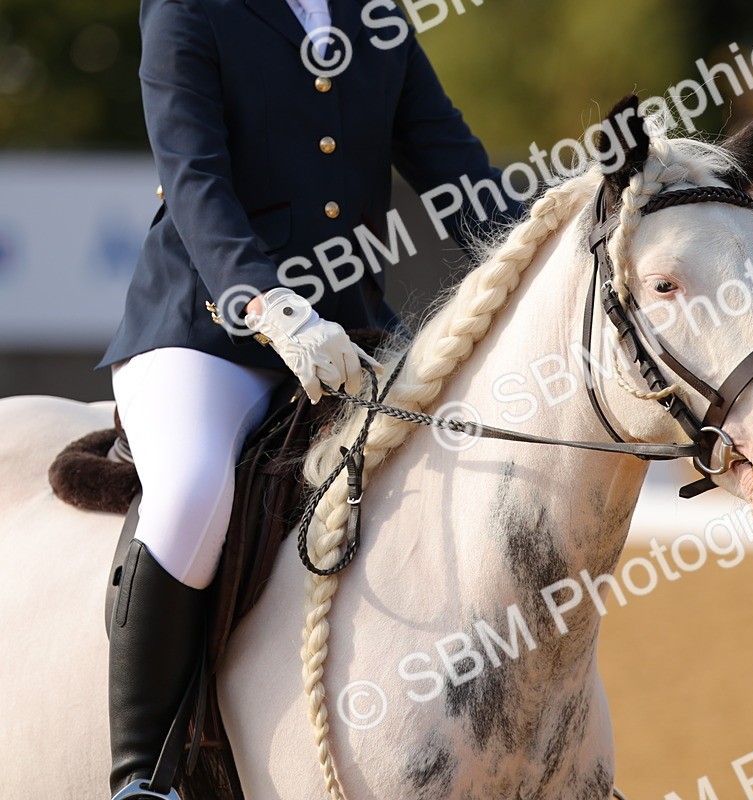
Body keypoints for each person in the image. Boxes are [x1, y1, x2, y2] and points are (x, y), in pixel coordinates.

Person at [98, 1, 515, 797]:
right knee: (189, 494)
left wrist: (546, 251)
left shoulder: (374, 12)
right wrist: (267, 302)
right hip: (209, 332)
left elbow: (454, 167)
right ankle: (141, 777)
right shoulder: (190, 10)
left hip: (350, 338)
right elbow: (194, 178)